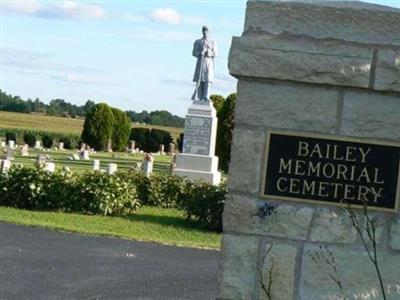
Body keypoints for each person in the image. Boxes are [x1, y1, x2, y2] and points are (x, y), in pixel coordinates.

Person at [191, 26, 217, 102]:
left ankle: (206, 96)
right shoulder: (198, 41)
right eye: (203, 30)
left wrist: (208, 52)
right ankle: (199, 97)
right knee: (199, 80)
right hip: (200, 62)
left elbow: (215, 53)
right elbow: (194, 53)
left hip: (208, 62)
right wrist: (200, 53)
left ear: (209, 32)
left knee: (207, 80)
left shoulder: (213, 42)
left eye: (206, 30)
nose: (205, 32)